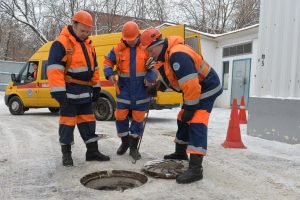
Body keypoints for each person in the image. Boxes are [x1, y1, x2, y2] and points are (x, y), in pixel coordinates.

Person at [140, 28, 223, 184]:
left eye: (150, 50)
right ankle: (180, 153)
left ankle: (196, 170)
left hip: (207, 88)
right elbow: (170, 79)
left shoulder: (178, 55)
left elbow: (192, 86)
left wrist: (191, 109)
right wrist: (156, 87)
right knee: (182, 118)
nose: (150, 54)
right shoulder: (164, 57)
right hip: (195, 90)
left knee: (197, 122)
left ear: (158, 44)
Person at [47, 10, 110, 167]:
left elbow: (94, 68)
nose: (85, 34)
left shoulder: (89, 45)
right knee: (67, 124)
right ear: (73, 25)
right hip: (68, 92)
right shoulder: (61, 43)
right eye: (83, 31)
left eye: (88, 32)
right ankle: (66, 155)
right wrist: (59, 92)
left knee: (89, 122)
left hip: (85, 92)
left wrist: (96, 87)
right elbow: (54, 69)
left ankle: (92, 152)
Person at [103, 21, 157, 160]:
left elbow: (155, 65)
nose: (131, 42)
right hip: (124, 90)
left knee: (138, 120)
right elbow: (107, 62)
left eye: (133, 40)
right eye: (128, 40)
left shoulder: (146, 48)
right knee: (120, 117)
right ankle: (125, 142)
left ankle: (133, 147)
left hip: (141, 92)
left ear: (138, 35)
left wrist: (151, 75)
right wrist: (109, 74)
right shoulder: (118, 49)